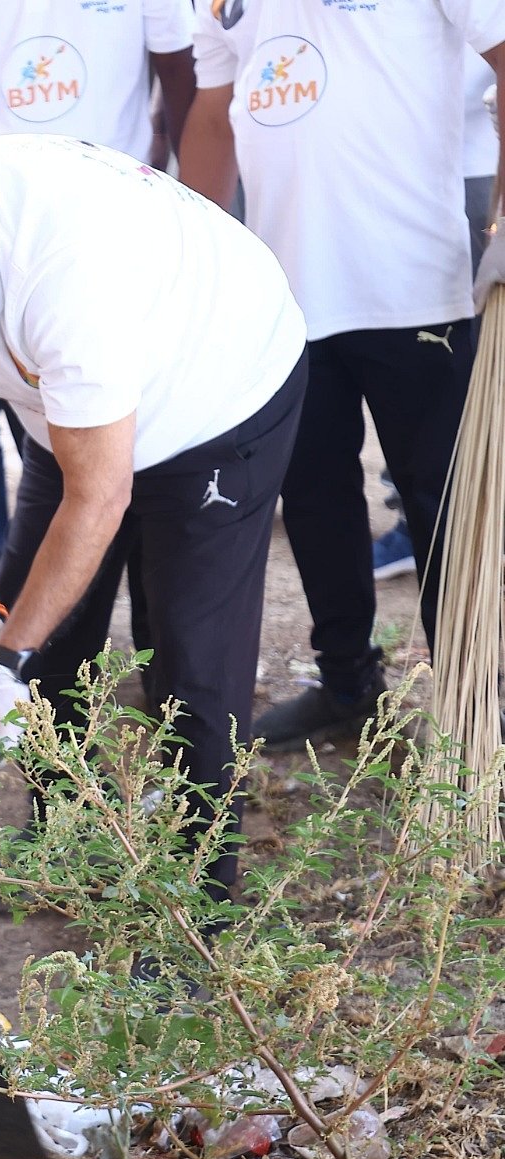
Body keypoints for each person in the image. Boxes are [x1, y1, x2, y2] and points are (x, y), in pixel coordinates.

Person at [0, 129, 307, 899]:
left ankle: (195, 904)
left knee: (190, 656)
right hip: (68, 408)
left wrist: (9, 655)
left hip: (216, 390)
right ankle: (60, 849)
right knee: (42, 643)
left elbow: (99, 494)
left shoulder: (68, 265)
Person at [180, 2, 505, 751]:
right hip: (286, 294)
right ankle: (348, 683)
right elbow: (212, 112)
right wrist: (198, 254)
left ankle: (474, 701)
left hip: (414, 286)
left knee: (441, 501)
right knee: (313, 497)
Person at [0, 0, 197, 643]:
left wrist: (197, 208)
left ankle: (157, 643)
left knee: (120, 451)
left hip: (106, 245)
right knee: (43, 449)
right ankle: (8, 613)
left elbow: (179, 79)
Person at [373, 49, 500, 584]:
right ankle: (425, 521)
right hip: (409, 166)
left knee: (466, 364)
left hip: (470, 168)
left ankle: (459, 528)